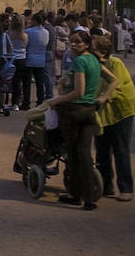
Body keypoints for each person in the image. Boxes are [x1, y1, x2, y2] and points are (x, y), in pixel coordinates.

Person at [47, 31, 114, 211]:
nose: (73, 45)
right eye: (72, 42)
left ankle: (79, 194)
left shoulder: (80, 62)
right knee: (83, 153)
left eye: (77, 42)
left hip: (74, 111)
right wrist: (103, 97)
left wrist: (56, 101)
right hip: (90, 111)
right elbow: (112, 80)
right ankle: (85, 195)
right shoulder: (94, 60)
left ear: (86, 44)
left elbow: (79, 91)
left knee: (75, 154)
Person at [94, 47, 135, 202]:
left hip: (121, 112)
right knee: (102, 150)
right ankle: (106, 186)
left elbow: (115, 85)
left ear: (103, 52)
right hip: (102, 113)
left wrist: (102, 97)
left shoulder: (115, 63)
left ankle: (126, 189)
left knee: (120, 150)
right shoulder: (93, 64)